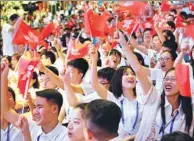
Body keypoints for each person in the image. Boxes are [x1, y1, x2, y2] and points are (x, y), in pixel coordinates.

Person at [117, 31, 194, 141]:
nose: (168, 82)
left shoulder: (187, 108)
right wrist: (124, 44)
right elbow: (138, 70)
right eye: (166, 79)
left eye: (173, 79)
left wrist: (182, 53)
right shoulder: (155, 99)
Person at [1, 63, 68, 141]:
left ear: (54, 109)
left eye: (39, 107)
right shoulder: (32, 126)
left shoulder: (67, 136)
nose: (35, 112)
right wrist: (3, 77)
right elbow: (6, 111)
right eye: (34, 107)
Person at [90, 46, 143, 139]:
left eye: (132, 74)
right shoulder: (114, 98)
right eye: (126, 74)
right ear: (118, 79)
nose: (131, 76)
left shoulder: (142, 99)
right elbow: (95, 84)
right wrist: (94, 59)